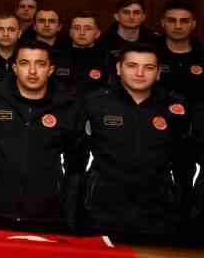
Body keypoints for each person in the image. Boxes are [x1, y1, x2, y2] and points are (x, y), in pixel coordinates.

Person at [79, 45, 194, 244]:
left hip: (159, 215)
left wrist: (181, 208)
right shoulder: (93, 104)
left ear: (158, 72)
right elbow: (76, 159)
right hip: (102, 212)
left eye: (148, 67)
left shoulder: (176, 108)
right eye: (132, 66)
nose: (140, 73)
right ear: (118, 68)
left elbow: (185, 164)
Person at [0, 42, 82, 234]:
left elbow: (76, 164)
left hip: (49, 215)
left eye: (40, 64)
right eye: (24, 63)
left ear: (50, 69)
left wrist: (69, 212)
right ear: (15, 68)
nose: (32, 71)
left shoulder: (69, 107)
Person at [158, 1, 203, 105]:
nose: (178, 26)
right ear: (163, 22)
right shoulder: (149, 54)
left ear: (193, 24)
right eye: (171, 20)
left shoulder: (201, 55)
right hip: (156, 112)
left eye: (184, 21)